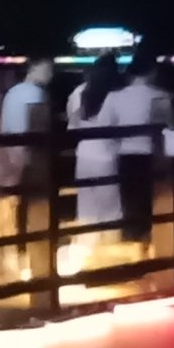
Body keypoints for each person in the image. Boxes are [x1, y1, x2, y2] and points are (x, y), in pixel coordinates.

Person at [105, 55, 166, 247]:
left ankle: (131, 239)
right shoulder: (160, 96)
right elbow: (165, 127)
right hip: (151, 154)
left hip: (125, 153)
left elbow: (106, 126)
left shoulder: (115, 96)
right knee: (149, 199)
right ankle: (147, 241)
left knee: (128, 199)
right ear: (152, 72)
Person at [70, 55, 123, 256]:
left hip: (83, 155)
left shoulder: (80, 93)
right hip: (106, 155)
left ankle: (87, 254)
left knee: (86, 209)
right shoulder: (115, 95)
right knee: (110, 210)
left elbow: (72, 125)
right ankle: (110, 256)